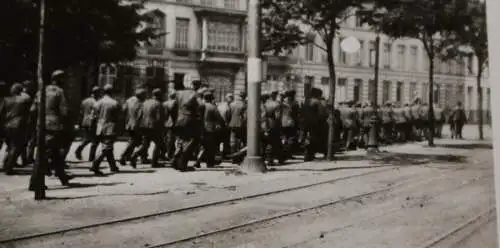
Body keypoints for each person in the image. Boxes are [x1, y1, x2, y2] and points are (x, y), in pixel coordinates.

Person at [29, 70, 74, 190]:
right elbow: (64, 112)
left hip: (41, 124)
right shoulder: (59, 92)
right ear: (59, 79)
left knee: (54, 152)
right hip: (54, 125)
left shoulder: (41, 91)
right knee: (46, 153)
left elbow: (33, 110)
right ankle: (35, 181)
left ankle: (62, 176)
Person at [89, 84, 120, 176]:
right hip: (110, 127)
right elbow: (119, 118)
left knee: (108, 148)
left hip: (100, 127)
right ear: (112, 92)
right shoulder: (115, 103)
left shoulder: (97, 103)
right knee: (106, 147)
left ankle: (113, 166)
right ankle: (95, 165)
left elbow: (92, 117)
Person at [0, 83, 31, 174]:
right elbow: (29, 113)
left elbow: (1, 113)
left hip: (7, 125)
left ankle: (6, 164)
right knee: (16, 146)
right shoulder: (24, 100)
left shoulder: (6, 100)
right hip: (19, 125)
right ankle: (9, 167)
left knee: (10, 146)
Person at [130, 88, 165, 168]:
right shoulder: (158, 104)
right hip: (153, 127)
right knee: (158, 144)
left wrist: (138, 126)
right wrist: (161, 128)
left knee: (145, 144)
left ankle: (134, 155)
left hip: (143, 126)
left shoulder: (145, 102)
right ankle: (154, 163)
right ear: (159, 95)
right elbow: (159, 118)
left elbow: (139, 115)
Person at [172, 80, 199, 172]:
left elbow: (173, 107)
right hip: (189, 121)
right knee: (189, 142)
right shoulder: (195, 94)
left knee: (180, 140)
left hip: (179, 120)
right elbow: (198, 108)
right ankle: (182, 165)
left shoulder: (178, 93)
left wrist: (176, 118)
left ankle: (175, 159)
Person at [196, 91, 225, 168]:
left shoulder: (200, 106)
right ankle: (210, 163)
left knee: (202, 146)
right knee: (210, 147)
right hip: (210, 129)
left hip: (200, 128)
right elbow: (219, 118)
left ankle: (198, 160)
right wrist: (222, 125)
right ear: (211, 98)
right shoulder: (212, 107)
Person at [119, 88, 147, 166]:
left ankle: (129, 156)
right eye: (144, 95)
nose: (145, 96)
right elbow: (142, 115)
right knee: (137, 142)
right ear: (141, 96)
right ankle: (124, 156)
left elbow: (123, 110)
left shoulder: (129, 100)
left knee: (133, 141)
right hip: (137, 125)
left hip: (129, 124)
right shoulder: (141, 103)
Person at [75, 86, 101, 161]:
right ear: (97, 93)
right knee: (95, 141)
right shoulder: (96, 102)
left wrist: (79, 123)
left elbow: (81, 113)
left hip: (85, 122)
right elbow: (95, 114)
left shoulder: (84, 101)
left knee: (88, 139)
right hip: (92, 122)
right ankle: (91, 157)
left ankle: (78, 150)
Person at [228, 92, 246, 162]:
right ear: (243, 97)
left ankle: (233, 157)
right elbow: (245, 116)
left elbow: (229, 114)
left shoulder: (232, 104)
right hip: (241, 123)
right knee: (239, 141)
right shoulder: (244, 104)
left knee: (232, 140)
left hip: (233, 122)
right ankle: (238, 157)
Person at [162, 90, 178, 161]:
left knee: (167, 139)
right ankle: (169, 154)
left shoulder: (164, 103)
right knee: (171, 139)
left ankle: (170, 153)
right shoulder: (175, 103)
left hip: (165, 123)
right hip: (172, 123)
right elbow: (175, 114)